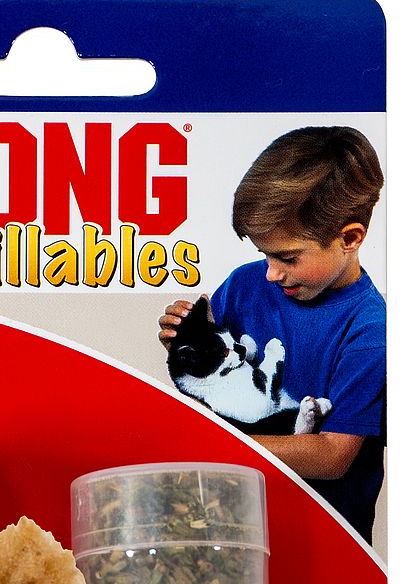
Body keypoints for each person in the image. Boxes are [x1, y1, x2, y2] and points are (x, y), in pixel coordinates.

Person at [159, 127, 385, 544]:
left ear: (350, 238)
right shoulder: (244, 285)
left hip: (323, 541)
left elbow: (332, 455)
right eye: (263, 254)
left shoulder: (372, 330)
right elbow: (208, 388)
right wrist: (183, 345)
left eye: (287, 257)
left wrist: (212, 443)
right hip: (230, 525)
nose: (271, 273)